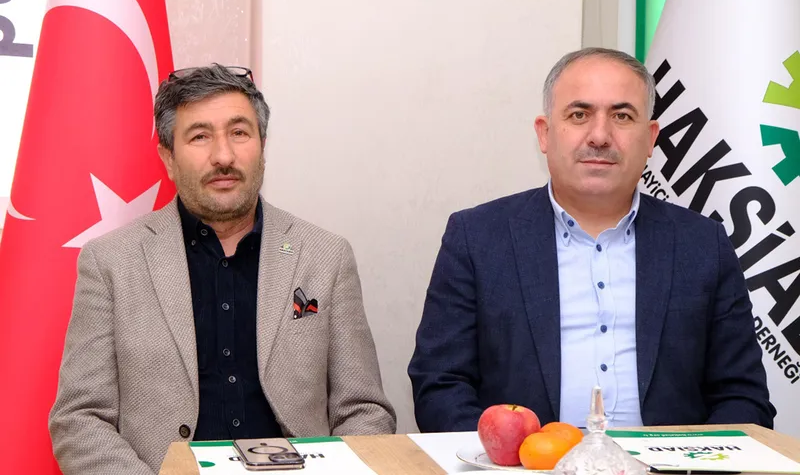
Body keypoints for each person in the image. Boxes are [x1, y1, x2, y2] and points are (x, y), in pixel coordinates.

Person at [50, 64, 396, 475]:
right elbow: (79, 420)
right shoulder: (111, 262)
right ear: (168, 157)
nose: (224, 156)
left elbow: (364, 410)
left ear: (262, 147)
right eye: (200, 136)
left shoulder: (325, 256)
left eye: (239, 133)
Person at [408, 47, 775, 432]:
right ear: (544, 133)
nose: (600, 136)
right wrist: (506, 455)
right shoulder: (477, 238)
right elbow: (440, 385)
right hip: (524, 462)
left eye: (622, 116)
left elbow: (743, 397)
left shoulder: (703, 245)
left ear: (650, 138)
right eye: (579, 115)